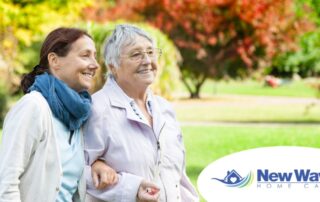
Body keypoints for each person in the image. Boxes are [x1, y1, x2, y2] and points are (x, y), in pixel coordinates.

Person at [84, 24, 199, 202]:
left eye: (151, 52)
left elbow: (177, 176)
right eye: (136, 54)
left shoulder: (165, 109)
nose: (147, 61)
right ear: (113, 66)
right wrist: (132, 188)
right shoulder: (98, 109)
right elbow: (77, 172)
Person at [0, 27, 116, 202]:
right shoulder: (34, 107)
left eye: (94, 55)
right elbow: (6, 183)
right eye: (85, 55)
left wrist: (98, 165)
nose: (95, 64)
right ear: (54, 61)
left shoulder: (78, 115)